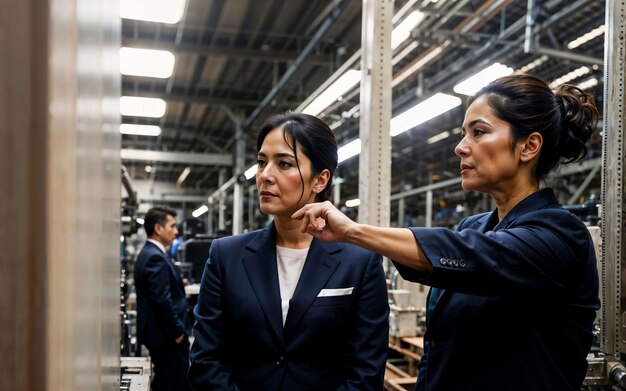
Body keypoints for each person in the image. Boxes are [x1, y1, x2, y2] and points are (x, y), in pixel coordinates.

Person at [293, 74, 601, 390]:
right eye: (463, 134)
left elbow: (474, 256)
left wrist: (354, 232)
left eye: (478, 132)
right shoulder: (474, 227)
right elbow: (440, 345)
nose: (459, 148)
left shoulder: (562, 235)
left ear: (529, 146)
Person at [188, 112, 389, 390]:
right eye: (261, 162)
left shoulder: (359, 262)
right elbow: (205, 359)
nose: (265, 175)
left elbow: (366, 370)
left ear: (320, 180)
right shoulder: (226, 256)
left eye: (284, 164)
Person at [134, 206, 191, 391]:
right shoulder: (154, 257)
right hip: (166, 336)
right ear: (158, 229)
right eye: (172, 226)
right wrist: (178, 333)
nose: (176, 231)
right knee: (174, 382)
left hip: (161, 335)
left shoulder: (152, 253)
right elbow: (162, 300)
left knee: (166, 381)